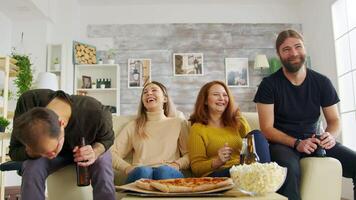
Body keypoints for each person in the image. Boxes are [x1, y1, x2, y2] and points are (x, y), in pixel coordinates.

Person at [254, 29, 356, 200]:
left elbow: (334, 120)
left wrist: (330, 136)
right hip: (282, 143)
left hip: (314, 140)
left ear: (304, 49)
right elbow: (267, 129)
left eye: (297, 47)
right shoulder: (268, 85)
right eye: (286, 49)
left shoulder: (322, 82)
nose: (293, 53)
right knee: (289, 169)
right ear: (279, 54)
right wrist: (296, 143)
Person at [9, 89, 116, 200]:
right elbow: (14, 151)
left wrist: (95, 151)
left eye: (54, 148)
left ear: (62, 124)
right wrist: (33, 152)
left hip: (88, 150)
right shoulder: (28, 103)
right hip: (44, 157)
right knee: (32, 167)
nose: (52, 154)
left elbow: (107, 138)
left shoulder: (96, 111)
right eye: (47, 152)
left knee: (102, 162)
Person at [188, 80, 270, 177]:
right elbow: (196, 167)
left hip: (243, 168)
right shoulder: (198, 129)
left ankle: (263, 175)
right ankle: (264, 177)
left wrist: (237, 116)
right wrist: (217, 161)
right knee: (246, 170)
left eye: (225, 95)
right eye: (216, 94)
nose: (221, 98)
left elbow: (252, 148)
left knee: (256, 135)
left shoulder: (237, 121)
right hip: (218, 174)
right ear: (205, 100)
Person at [112, 81, 189, 183]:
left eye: (154, 90)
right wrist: (127, 168)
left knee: (163, 171)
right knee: (143, 171)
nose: (149, 93)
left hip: (168, 172)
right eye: (145, 92)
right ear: (143, 102)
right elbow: (111, 153)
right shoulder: (133, 126)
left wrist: (177, 164)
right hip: (141, 173)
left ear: (165, 99)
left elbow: (189, 154)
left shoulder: (178, 123)